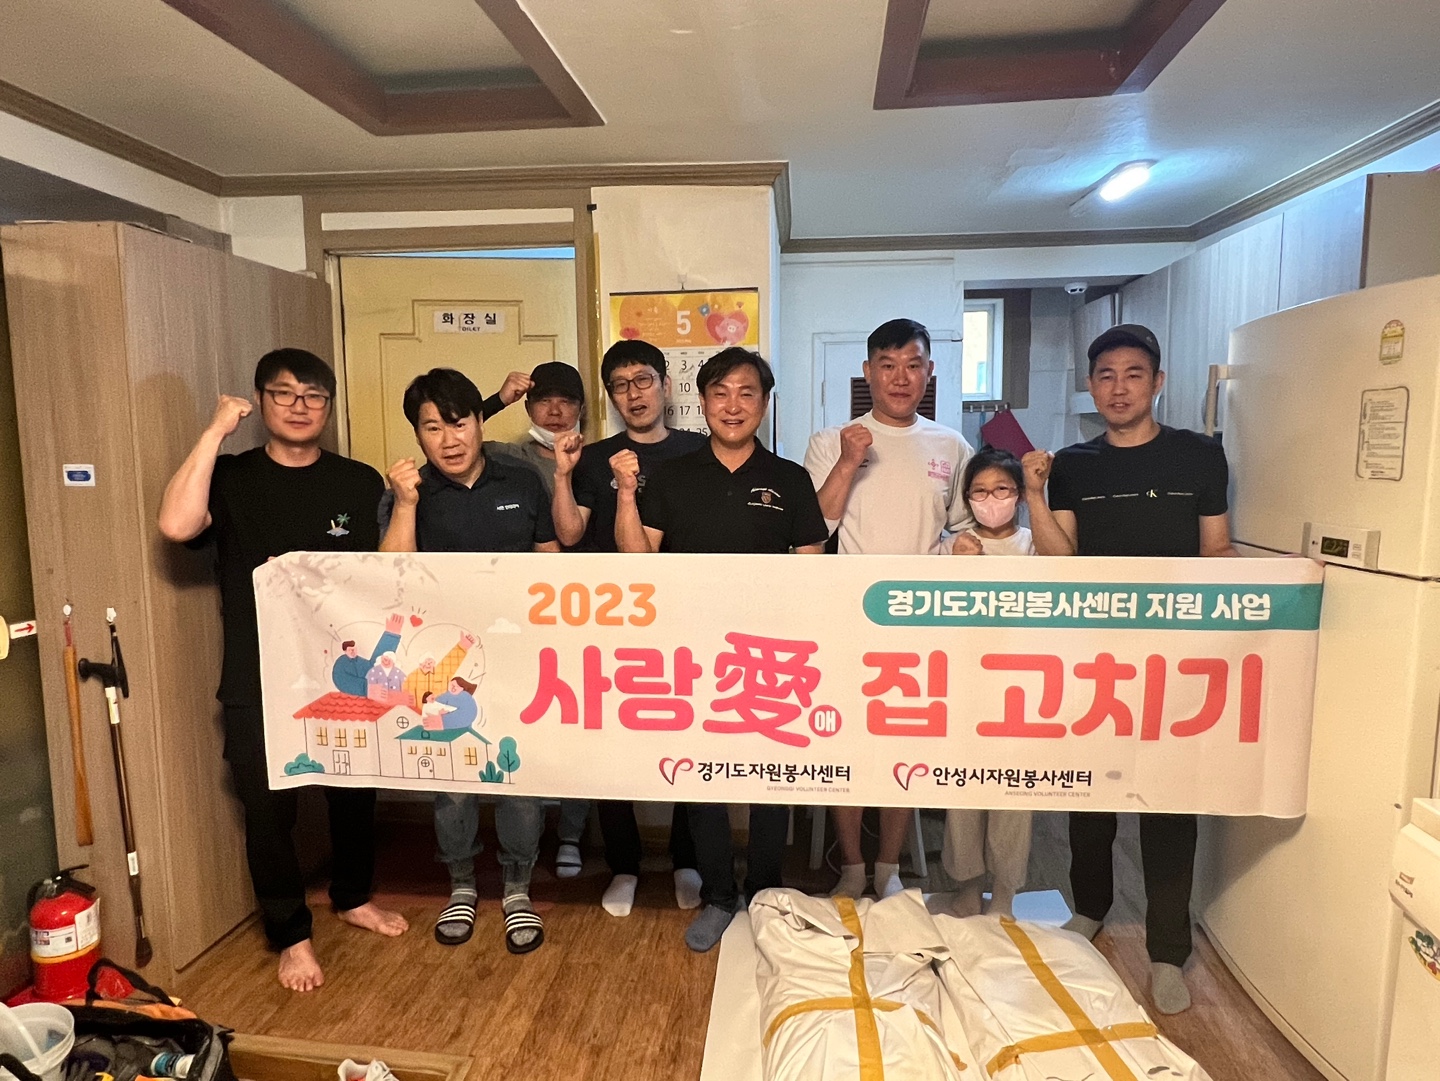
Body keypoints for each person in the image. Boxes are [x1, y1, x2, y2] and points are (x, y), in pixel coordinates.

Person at [156, 347, 408, 993]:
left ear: (328, 407)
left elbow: (385, 574)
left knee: (353, 793)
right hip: (256, 675)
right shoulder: (231, 475)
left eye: (314, 395)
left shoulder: (356, 482)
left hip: (342, 672)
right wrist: (215, 431)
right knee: (268, 810)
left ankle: (352, 897)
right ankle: (291, 934)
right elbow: (176, 523)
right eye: (285, 393)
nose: (300, 406)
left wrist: (405, 505)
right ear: (261, 399)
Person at [1024, 323, 1238, 1016]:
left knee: (1170, 802)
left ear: (1158, 382)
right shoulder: (1074, 464)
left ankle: (1167, 948)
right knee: (1089, 791)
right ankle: (1090, 908)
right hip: (1095, 656)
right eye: (1106, 376)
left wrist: (1276, 588)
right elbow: (1062, 558)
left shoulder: (1200, 455)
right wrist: (1033, 493)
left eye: (1134, 374)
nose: (1119, 388)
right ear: (1091, 386)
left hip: (1176, 659)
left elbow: (1217, 550)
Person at [616, 346, 829, 952]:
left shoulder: (790, 479)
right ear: (703, 401)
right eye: (720, 393)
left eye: (746, 393)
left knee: (772, 780)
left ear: (764, 403)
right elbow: (638, 560)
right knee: (701, 777)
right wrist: (627, 493)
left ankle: (765, 892)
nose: (733, 405)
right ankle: (718, 895)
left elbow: (812, 570)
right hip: (692, 652)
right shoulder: (674, 476)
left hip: (771, 657)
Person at [379, 367, 560, 954]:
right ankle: (461, 883)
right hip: (441, 665)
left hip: (519, 657)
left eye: (458, 423)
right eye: (432, 428)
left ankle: (516, 887)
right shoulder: (407, 492)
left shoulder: (522, 479)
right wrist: (406, 504)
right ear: (418, 435)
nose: (449, 439)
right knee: (452, 785)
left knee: (518, 777)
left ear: (481, 420)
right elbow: (389, 578)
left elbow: (552, 566)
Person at [802, 318, 976, 900]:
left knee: (907, 745)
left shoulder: (952, 446)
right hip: (845, 623)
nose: (901, 377)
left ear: (929, 372)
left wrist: (956, 552)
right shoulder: (832, 439)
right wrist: (849, 460)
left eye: (913, 365)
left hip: (921, 625)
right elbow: (815, 526)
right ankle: (852, 867)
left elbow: (965, 531)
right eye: (888, 365)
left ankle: (889, 867)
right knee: (846, 745)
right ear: (868, 372)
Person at [551, 339, 707, 917]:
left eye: (643, 380)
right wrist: (563, 476)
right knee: (610, 744)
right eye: (620, 385)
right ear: (611, 397)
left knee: (692, 737)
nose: (633, 394)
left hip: (687, 618)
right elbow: (569, 534)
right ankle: (623, 864)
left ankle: (688, 858)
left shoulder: (700, 449)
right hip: (613, 621)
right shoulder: (595, 457)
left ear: (666, 384)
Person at [485, 360, 592, 878]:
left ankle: (571, 833)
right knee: (519, 718)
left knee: (578, 723)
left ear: (581, 408)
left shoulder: (594, 459)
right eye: (543, 400)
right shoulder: (505, 456)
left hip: (582, 610)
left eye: (565, 401)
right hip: (518, 612)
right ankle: (522, 837)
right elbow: (449, 439)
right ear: (527, 406)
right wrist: (496, 400)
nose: (554, 410)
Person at [941, 448, 1035, 918]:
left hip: (1022, 685)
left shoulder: (1034, 543)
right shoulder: (952, 545)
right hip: (962, 681)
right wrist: (956, 563)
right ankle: (966, 883)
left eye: (1001, 489)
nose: (990, 500)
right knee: (963, 786)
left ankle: (1005, 888)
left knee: (1013, 788)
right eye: (979, 492)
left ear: (1019, 494)